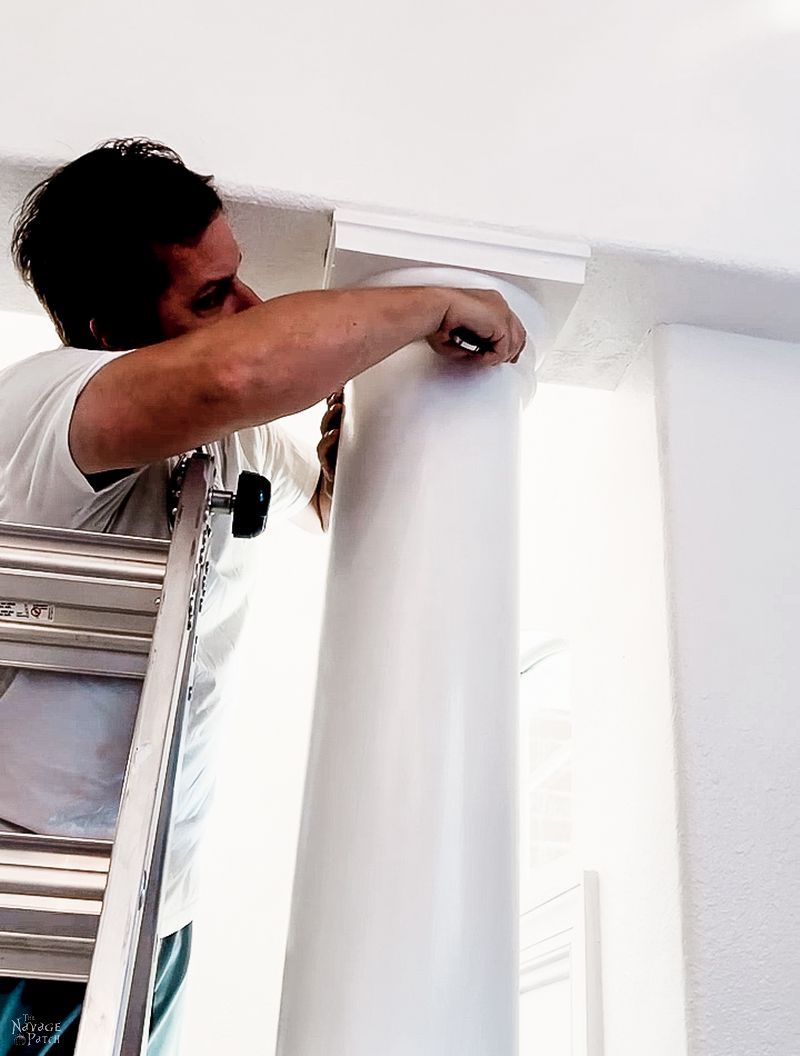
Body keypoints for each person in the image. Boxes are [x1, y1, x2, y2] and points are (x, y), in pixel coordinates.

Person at [0, 138, 526, 1053]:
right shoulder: (47, 405)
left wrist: (365, 425)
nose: (248, 308)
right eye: (210, 298)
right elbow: (234, 371)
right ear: (102, 330)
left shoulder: (230, 448)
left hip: (155, 906)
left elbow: (325, 502)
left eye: (237, 278)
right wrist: (430, 302)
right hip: (24, 892)